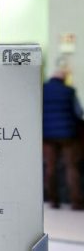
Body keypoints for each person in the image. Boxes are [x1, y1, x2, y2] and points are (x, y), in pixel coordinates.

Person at [43, 67, 84, 210]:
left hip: (47, 135)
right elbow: (79, 112)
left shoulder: (42, 90)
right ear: (63, 78)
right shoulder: (69, 91)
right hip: (67, 135)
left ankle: (53, 201)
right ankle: (76, 202)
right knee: (71, 167)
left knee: (50, 168)